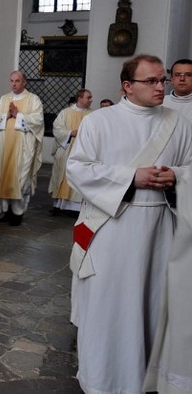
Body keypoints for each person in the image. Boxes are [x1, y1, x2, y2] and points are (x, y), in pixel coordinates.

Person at [67, 55, 192, 394]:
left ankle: (146, 378)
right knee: (109, 307)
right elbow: (77, 169)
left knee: (152, 306)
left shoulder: (178, 122)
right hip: (112, 230)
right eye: (151, 81)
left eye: (162, 80)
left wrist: (177, 176)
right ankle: (103, 380)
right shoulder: (99, 122)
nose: (160, 86)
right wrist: (130, 177)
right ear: (127, 86)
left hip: (160, 230)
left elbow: (191, 165)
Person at [0, 70, 44, 226]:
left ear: (24, 82)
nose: (14, 84)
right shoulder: (4, 99)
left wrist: (18, 115)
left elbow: (38, 120)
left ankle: (17, 213)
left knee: (21, 178)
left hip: (23, 147)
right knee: (4, 175)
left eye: (17, 81)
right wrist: (6, 115)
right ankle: (6, 212)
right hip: (4, 146)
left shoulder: (33, 99)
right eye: (12, 81)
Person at [48, 89, 92, 216]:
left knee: (79, 178)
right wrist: (70, 133)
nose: (91, 100)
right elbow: (57, 129)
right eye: (88, 97)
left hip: (83, 152)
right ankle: (59, 205)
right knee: (61, 176)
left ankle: (75, 208)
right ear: (80, 98)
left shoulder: (92, 114)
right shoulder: (65, 113)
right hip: (66, 150)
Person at [163, 57, 192, 123]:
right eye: (178, 75)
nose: (182, 79)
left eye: (188, 75)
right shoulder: (160, 103)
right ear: (171, 80)